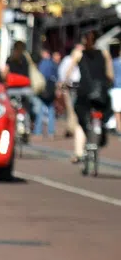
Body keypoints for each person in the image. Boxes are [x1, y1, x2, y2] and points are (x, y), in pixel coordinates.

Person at [63, 29, 112, 169]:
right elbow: (110, 75)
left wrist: (65, 83)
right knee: (103, 115)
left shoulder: (78, 53)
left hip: (84, 92)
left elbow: (68, 73)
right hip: (101, 93)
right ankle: (100, 131)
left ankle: (79, 152)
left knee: (81, 122)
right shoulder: (105, 53)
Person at [6, 43, 42, 144]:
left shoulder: (10, 59)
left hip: (11, 89)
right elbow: (28, 73)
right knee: (26, 108)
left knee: (11, 108)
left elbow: (6, 73)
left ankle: (11, 128)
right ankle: (27, 128)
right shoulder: (25, 59)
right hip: (25, 89)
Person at [37, 45, 60, 138]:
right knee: (50, 109)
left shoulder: (43, 63)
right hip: (51, 88)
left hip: (44, 88)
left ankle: (38, 130)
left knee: (41, 109)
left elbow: (41, 76)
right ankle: (50, 131)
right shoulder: (52, 64)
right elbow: (57, 77)